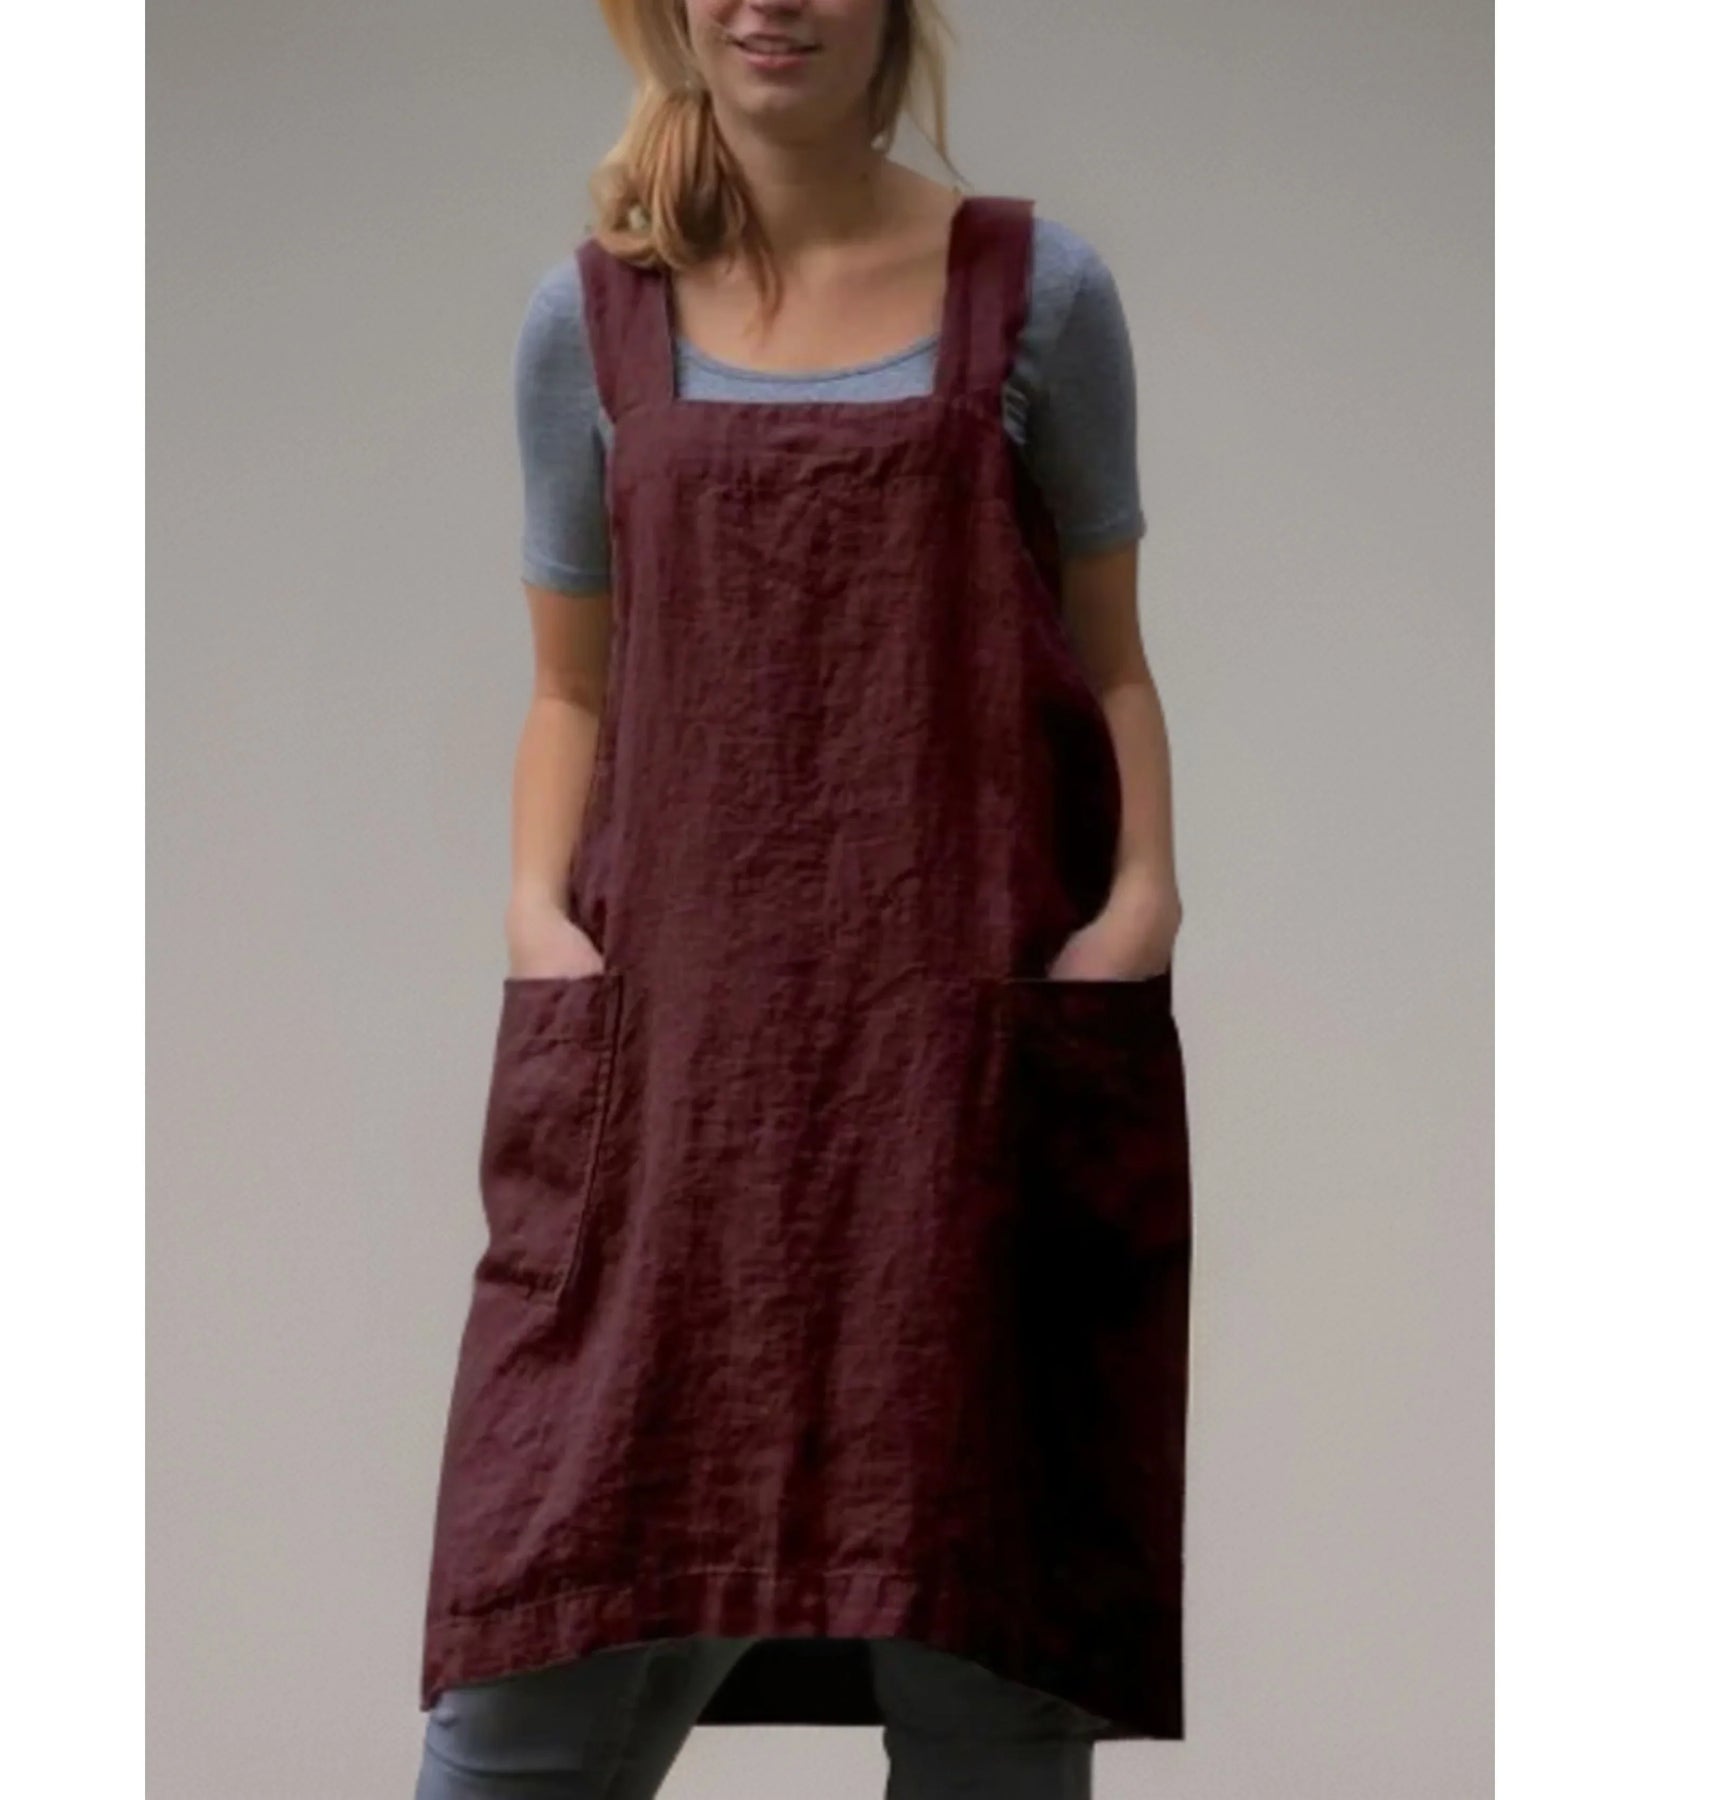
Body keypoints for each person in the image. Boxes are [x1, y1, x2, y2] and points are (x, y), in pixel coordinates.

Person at [414, 3, 1194, 1795]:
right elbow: (572, 689)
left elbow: (1111, 661)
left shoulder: (1040, 294)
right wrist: (538, 919)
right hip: (675, 1079)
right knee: (537, 1665)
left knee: (990, 1646)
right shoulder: (587, 321)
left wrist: (1140, 902)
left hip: (962, 1068)